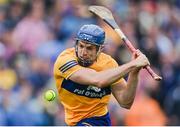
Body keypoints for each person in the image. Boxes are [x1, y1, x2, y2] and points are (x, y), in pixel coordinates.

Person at [53, 24, 150, 126]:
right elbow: (97, 80)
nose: (83, 52)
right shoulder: (65, 60)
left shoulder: (109, 64)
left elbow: (125, 102)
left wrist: (134, 72)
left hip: (98, 120)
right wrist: (132, 64)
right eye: (81, 46)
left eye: (89, 48)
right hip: (73, 121)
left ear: (100, 49)